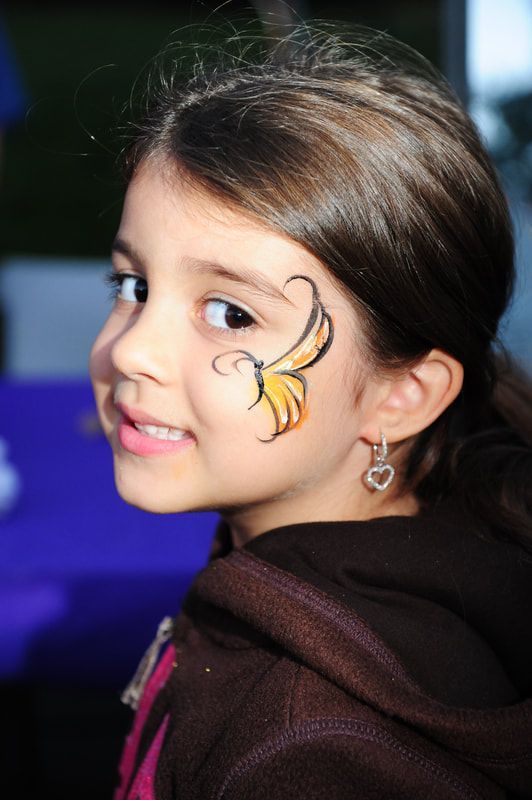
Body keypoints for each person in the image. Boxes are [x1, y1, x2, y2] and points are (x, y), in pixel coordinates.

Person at [89, 23, 532, 800]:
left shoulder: (310, 756)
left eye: (230, 314)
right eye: (134, 287)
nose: (131, 352)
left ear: (402, 395)